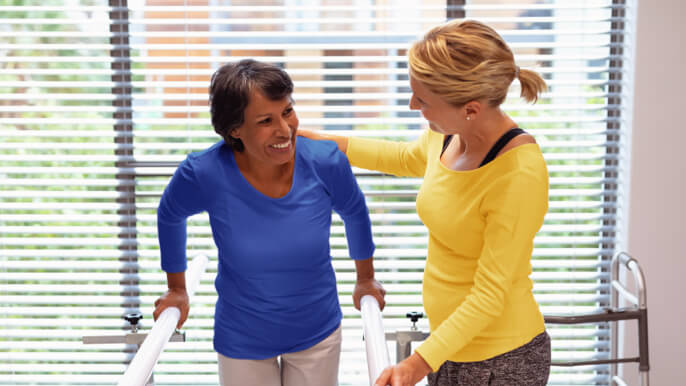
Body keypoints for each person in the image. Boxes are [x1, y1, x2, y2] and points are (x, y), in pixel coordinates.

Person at [298, 20, 551, 386]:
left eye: (424, 100)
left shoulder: (518, 175)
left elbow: (491, 294)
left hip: (501, 360)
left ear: (471, 108)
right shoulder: (451, 134)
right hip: (448, 346)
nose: (413, 104)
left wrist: (417, 364)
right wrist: (317, 141)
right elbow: (403, 157)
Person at [152, 59, 386, 386]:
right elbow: (170, 213)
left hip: (315, 328)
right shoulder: (204, 172)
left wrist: (366, 278)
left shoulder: (325, 161)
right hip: (243, 333)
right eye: (265, 120)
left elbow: (355, 211)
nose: (284, 130)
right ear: (235, 130)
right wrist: (176, 288)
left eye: (287, 112)